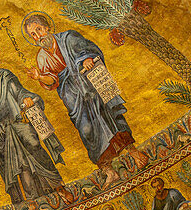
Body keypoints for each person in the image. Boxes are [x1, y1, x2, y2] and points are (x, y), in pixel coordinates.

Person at [24, 13, 146, 184]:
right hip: (72, 97)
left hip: (89, 84)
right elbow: (52, 81)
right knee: (86, 129)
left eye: (38, 30)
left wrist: (86, 58)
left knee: (108, 114)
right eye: (33, 35)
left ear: (47, 27)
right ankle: (108, 170)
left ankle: (133, 151)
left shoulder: (69, 37)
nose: (38, 36)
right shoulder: (41, 57)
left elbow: (89, 49)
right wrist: (39, 77)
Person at [0, 42, 69, 206]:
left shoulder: (5, 76)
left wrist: (27, 99)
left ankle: (58, 185)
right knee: (18, 165)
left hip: (16, 123)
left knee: (35, 149)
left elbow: (20, 92)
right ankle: (29, 202)